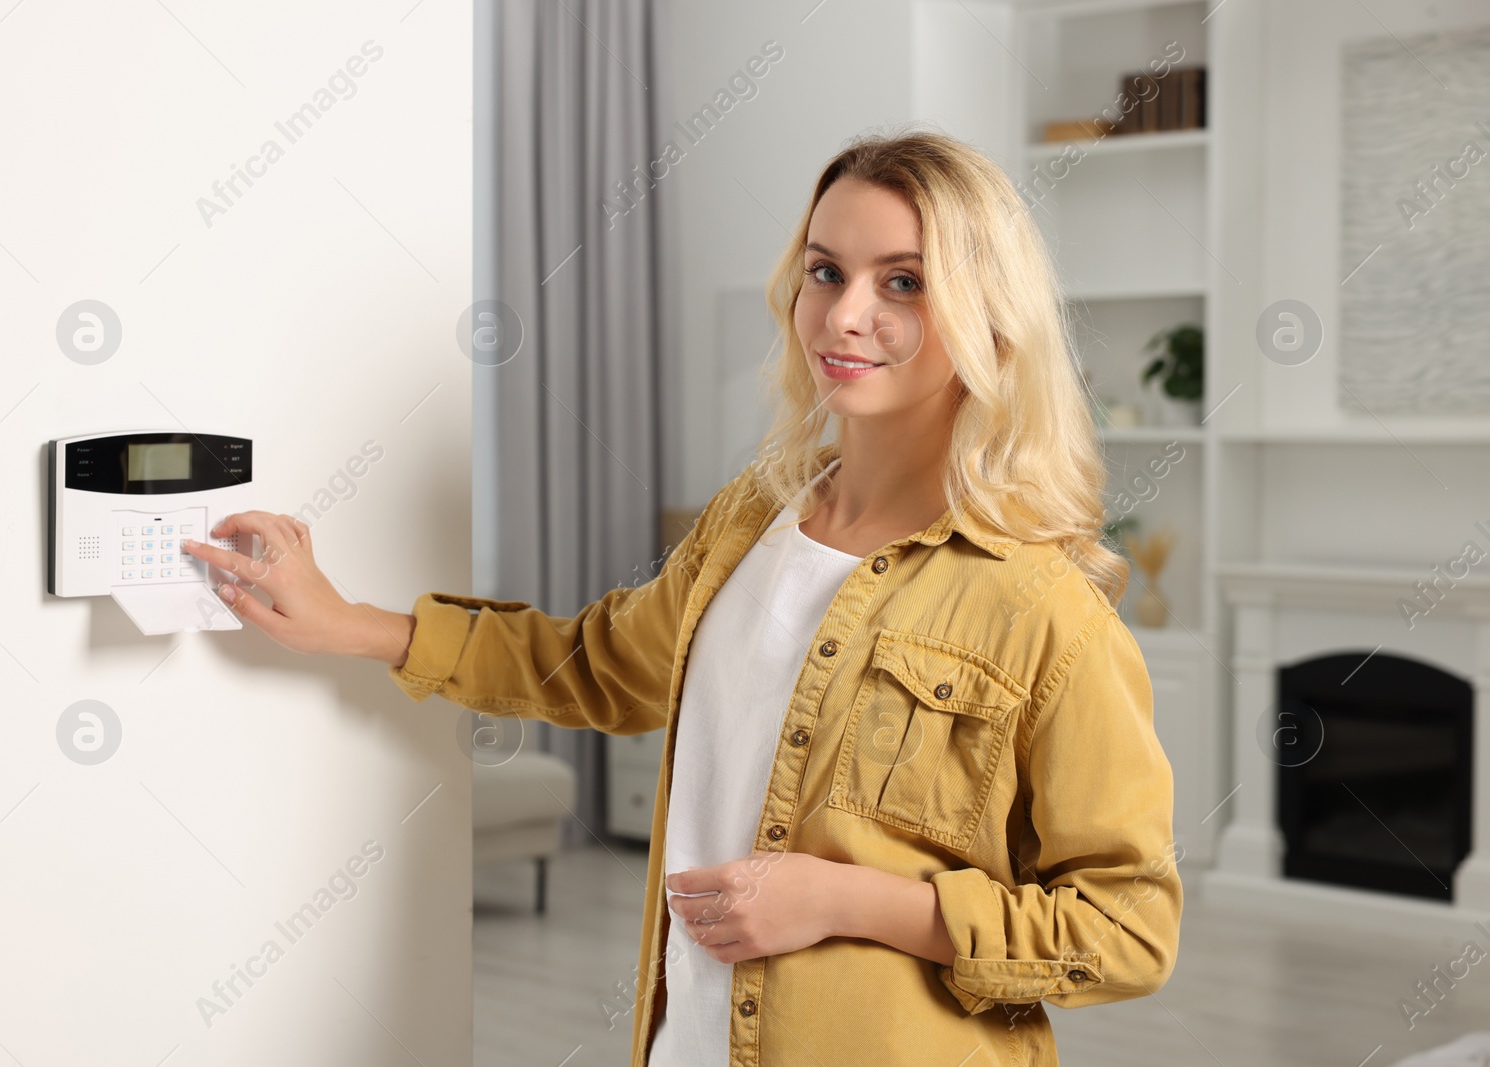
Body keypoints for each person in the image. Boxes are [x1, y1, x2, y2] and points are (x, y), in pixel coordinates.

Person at [182, 128, 1183, 1067]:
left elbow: (1126, 928)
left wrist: (848, 899)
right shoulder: (755, 515)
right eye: (826, 271)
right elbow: (598, 666)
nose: (843, 314)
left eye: (904, 284)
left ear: (986, 317)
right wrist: (345, 620)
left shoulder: (1041, 606)